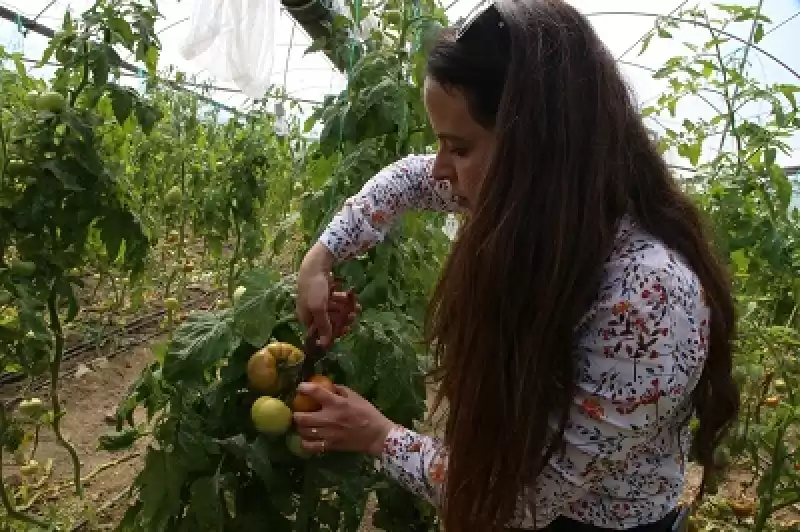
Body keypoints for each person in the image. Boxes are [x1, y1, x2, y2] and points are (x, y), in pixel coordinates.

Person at [292, 0, 740, 530]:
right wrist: (319, 260)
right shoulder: (544, 205)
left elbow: (519, 500)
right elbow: (407, 181)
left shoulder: (646, 299)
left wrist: (378, 435)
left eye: (457, 147)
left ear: (536, 148)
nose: (440, 169)